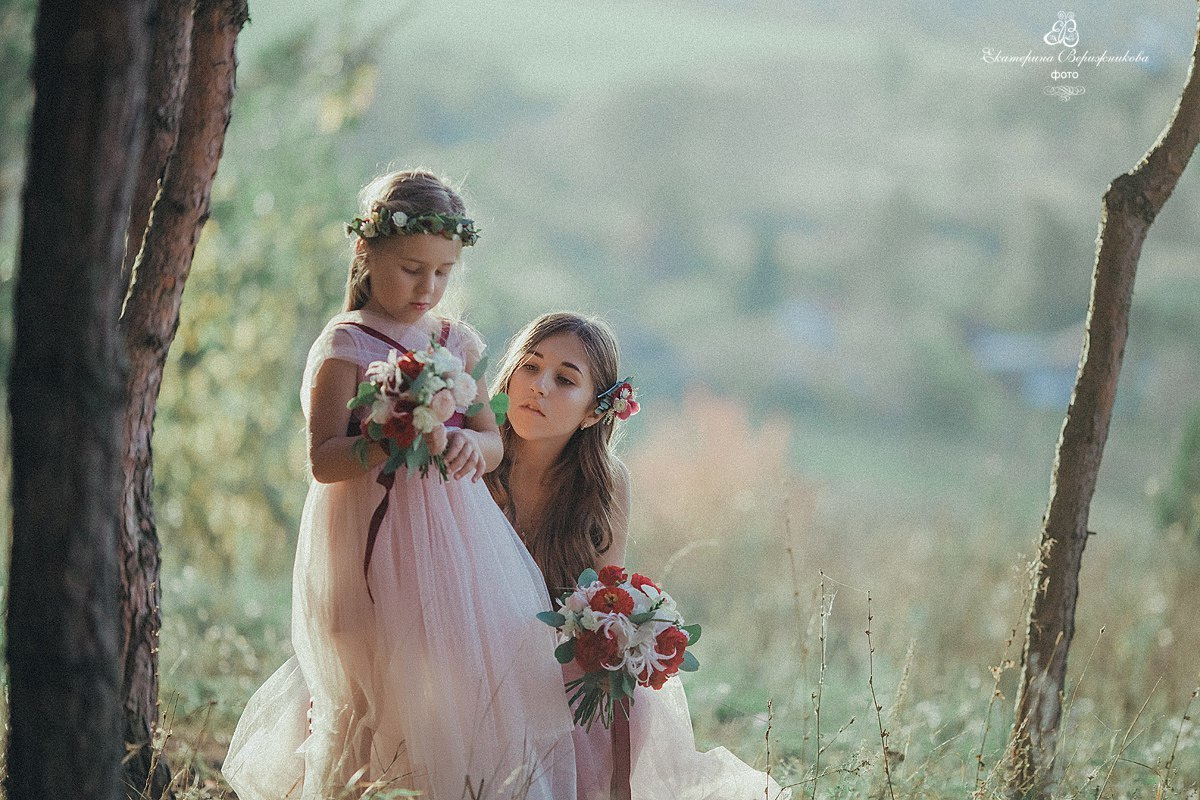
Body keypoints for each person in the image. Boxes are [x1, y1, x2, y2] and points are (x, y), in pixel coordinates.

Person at [223, 170, 577, 800]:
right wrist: (389, 437)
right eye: (414, 268)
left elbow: (492, 439)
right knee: (376, 678)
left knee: (453, 670)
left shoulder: (453, 342)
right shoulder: (345, 345)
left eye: (443, 272)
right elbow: (325, 459)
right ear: (367, 251)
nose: (429, 287)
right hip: (367, 534)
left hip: (454, 540)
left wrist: (475, 443)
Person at [485, 312, 790, 800]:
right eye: (530, 366)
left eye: (565, 379)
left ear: (593, 412)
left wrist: (620, 634)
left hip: (548, 652)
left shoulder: (605, 483)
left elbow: (606, 593)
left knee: (617, 682)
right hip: (471, 643)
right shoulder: (473, 457)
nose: (539, 386)